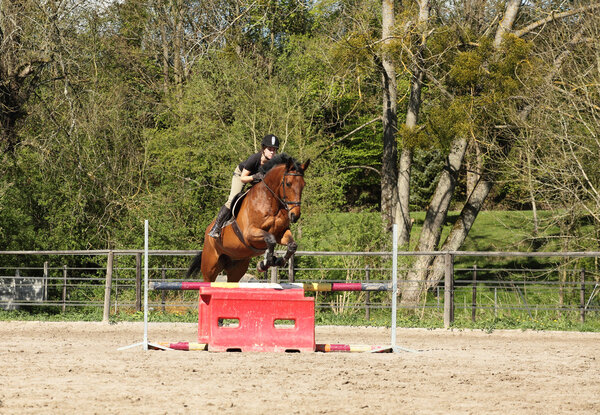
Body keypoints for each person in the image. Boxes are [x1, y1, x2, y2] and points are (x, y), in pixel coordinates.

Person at [208, 134, 280, 238]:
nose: (272, 152)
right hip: (242, 175)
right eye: (270, 149)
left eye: (274, 150)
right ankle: (216, 228)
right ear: (263, 149)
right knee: (232, 198)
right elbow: (243, 178)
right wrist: (255, 177)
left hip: (257, 178)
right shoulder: (255, 158)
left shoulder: (274, 163)